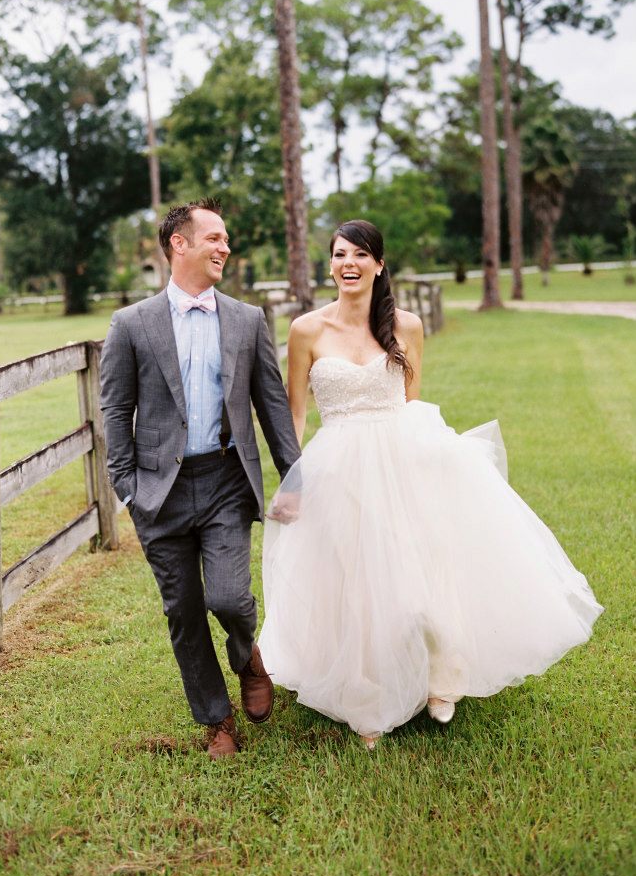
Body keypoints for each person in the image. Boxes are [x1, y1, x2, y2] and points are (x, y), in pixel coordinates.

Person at [260, 219, 603, 750]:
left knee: (423, 568)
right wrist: (293, 480)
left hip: (404, 457)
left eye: (360, 254)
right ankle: (366, 699)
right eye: (339, 254)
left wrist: (433, 465)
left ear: (378, 264)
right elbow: (295, 417)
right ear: (330, 265)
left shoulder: (408, 326)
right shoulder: (306, 330)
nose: (348, 263)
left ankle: (442, 677)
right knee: (357, 580)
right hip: (339, 466)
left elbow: (412, 402)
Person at [100, 198, 301, 759]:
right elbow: (115, 412)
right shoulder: (131, 325)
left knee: (230, 597)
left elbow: (272, 406)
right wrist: (127, 488)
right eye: (214, 237)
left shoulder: (247, 320)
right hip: (157, 492)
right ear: (178, 245)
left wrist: (296, 476)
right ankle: (217, 721)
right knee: (184, 612)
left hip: (225, 482)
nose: (225, 247)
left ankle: (247, 657)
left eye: (226, 238)